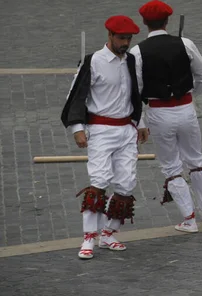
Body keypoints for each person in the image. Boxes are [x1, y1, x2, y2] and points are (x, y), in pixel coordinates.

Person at [61, 15, 148, 259]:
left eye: (129, 38)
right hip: (101, 130)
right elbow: (76, 95)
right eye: (121, 38)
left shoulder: (131, 60)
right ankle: (89, 236)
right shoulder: (93, 61)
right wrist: (77, 128)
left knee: (126, 182)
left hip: (126, 130)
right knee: (99, 180)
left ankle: (109, 233)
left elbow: (135, 93)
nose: (125, 43)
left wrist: (140, 122)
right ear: (109, 36)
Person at [130, 0, 202, 232]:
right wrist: (190, 96)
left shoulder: (137, 52)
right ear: (167, 21)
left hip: (158, 111)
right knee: (195, 159)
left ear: (144, 22)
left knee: (171, 166)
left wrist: (140, 121)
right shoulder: (185, 43)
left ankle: (189, 218)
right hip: (186, 108)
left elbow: (134, 91)